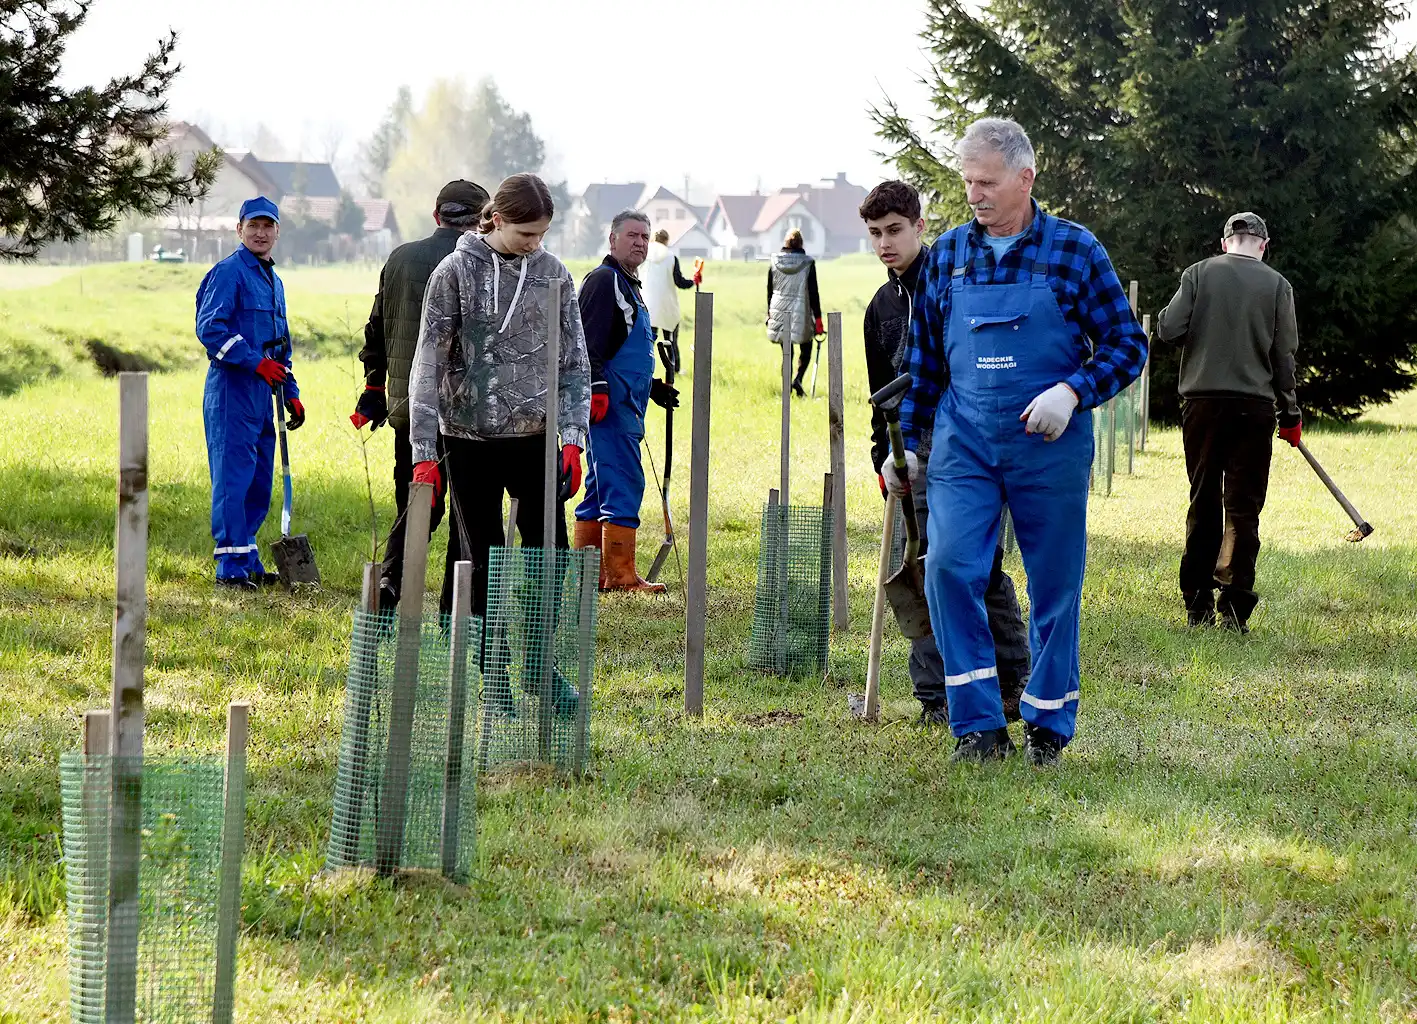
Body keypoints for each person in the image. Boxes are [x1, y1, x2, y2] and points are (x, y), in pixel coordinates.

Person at [888, 117, 1147, 765]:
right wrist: (909, 447)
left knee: (1054, 586)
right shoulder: (948, 255)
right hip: (965, 446)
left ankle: (1047, 724)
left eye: (986, 182)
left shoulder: (1074, 251)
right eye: (966, 182)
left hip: (1048, 446)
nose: (973, 194)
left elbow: (1127, 344)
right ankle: (978, 726)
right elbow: (924, 363)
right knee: (948, 568)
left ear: (1025, 178)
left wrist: (1074, 392)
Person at [406, 173, 590, 716]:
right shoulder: (454, 272)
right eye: (525, 233)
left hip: (535, 437)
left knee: (549, 557)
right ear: (497, 219)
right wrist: (423, 453)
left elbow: (574, 362)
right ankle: (494, 675)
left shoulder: (554, 274)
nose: (535, 243)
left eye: (542, 234)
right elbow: (427, 363)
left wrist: (573, 438)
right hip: (469, 440)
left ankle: (539, 664)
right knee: (481, 559)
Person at [860, 179, 1031, 726]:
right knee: (916, 570)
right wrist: (884, 456)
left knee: (978, 564)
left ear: (919, 226)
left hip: (964, 444)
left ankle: (1013, 677)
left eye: (894, 230)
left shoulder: (955, 281)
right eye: (875, 234)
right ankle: (936, 695)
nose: (885, 243)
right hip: (907, 452)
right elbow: (880, 392)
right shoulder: (880, 307)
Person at [1155, 212, 1301, 633]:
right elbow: (1283, 356)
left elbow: (1168, 328)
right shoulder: (1278, 285)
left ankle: (1197, 604)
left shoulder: (1198, 274)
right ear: (1263, 245)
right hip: (1254, 409)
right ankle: (1235, 610)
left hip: (1202, 406)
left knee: (1203, 500)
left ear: (1224, 243)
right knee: (1243, 507)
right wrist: (1290, 413)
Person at [352, 179, 490, 612]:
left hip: (408, 409)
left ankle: (391, 581)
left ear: (436, 215)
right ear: (484, 220)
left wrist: (374, 388)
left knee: (417, 503)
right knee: (468, 518)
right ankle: (454, 607)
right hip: (466, 415)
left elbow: (375, 331)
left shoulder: (399, 258)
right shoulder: (484, 263)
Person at [195, 195, 305, 591]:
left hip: (264, 395)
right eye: (253, 226)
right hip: (232, 392)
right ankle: (229, 569)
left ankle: (249, 559)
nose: (260, 233)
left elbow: (280, 345)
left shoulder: (273, 281)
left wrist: (290, 390)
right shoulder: (229, 273)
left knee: (259, 481)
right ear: (239, 229)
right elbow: (210, 329)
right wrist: (254, 362)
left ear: (277, 231)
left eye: (267, 226)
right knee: (233, 480)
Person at [572, 210, 680, 592]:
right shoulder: (605, 281)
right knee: (624, 481)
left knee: (600, 487)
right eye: (632, 235)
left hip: (626, 404)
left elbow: (622, 348)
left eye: (645, 237)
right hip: (611, 408)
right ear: (613, 239)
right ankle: (621, 576)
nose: (640, 242)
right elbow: (588, 344)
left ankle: (593, 576)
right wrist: (598, 389)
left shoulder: (629, 284)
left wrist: (651, 387)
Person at [766, 228, 823, 396]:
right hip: (801, 311)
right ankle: (798, 379)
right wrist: (818, 319)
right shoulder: (808, 263)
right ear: (801, 244)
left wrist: (769, 313)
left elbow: (769, 289)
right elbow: (813, 293)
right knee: (807, 347)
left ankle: (786, 388)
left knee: (786, 352)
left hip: (778, 311)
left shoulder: (774, 262)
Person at [639, 228, 700, 347]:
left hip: (647, 306)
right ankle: (672, 360)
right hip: (668, 306)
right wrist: (693, 281)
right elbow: (679, 282)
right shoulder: (671, 257)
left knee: (647, 346)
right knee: (671, 345)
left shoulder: (643, 255)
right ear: (666, 241)